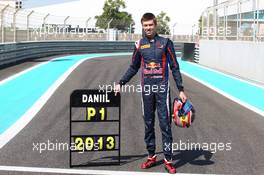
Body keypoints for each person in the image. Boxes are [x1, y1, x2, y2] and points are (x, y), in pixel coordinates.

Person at [114, 12, 187, 174]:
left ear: (155, 25)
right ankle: (151, 156)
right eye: (145, 25)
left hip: (162, 90)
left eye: (150, 25)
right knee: (148, 125)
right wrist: (121, 83)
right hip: (146, 91)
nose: (148, 28)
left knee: (165, 126)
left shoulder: (166, 43)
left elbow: (175, 67)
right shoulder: (139, 44)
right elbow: (133, 67)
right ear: (142, 26)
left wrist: (181, 89)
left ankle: (168, 159)